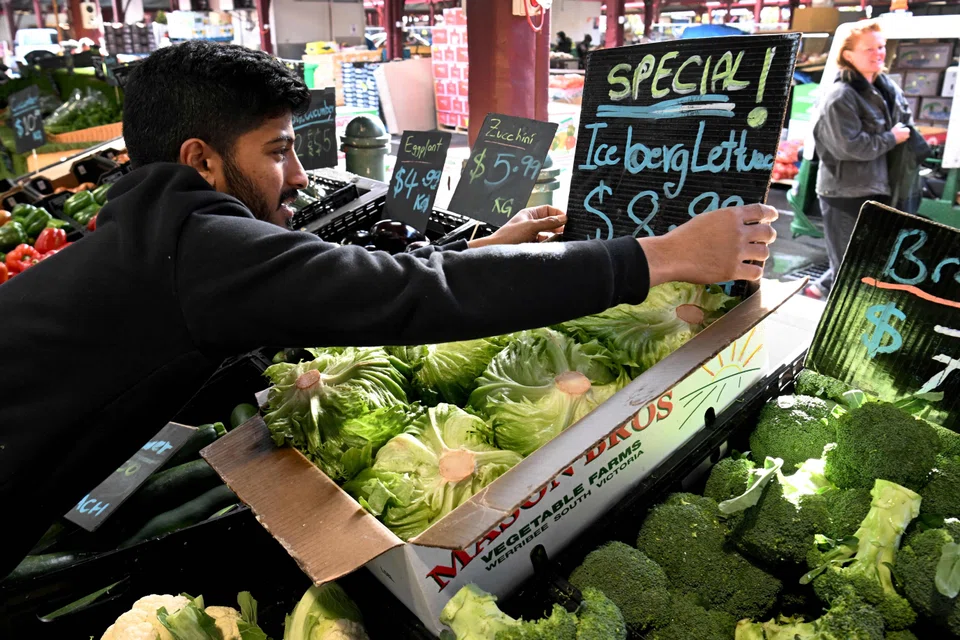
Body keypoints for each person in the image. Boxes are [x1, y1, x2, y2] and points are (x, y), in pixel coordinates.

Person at [0, 41, 776, 577]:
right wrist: (662, 256)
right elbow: (409, 297)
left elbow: (337, 295)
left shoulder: (152, 233)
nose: (300, 177)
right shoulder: (197, 249)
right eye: (277, 151)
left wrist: (475, 252)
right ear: (201, 159)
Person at [807, 21, 914, 299]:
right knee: (851, 267)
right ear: (848, 55)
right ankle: (829, 307)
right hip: (846, 192)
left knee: (863, 257)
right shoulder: (840, 96)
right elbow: (849, 147)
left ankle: (819, 289)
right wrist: (891, 138)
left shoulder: (886, 88)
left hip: (877, 186)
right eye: (869, 49)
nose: (878, 53)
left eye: (881, 46)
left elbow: (905, 121)